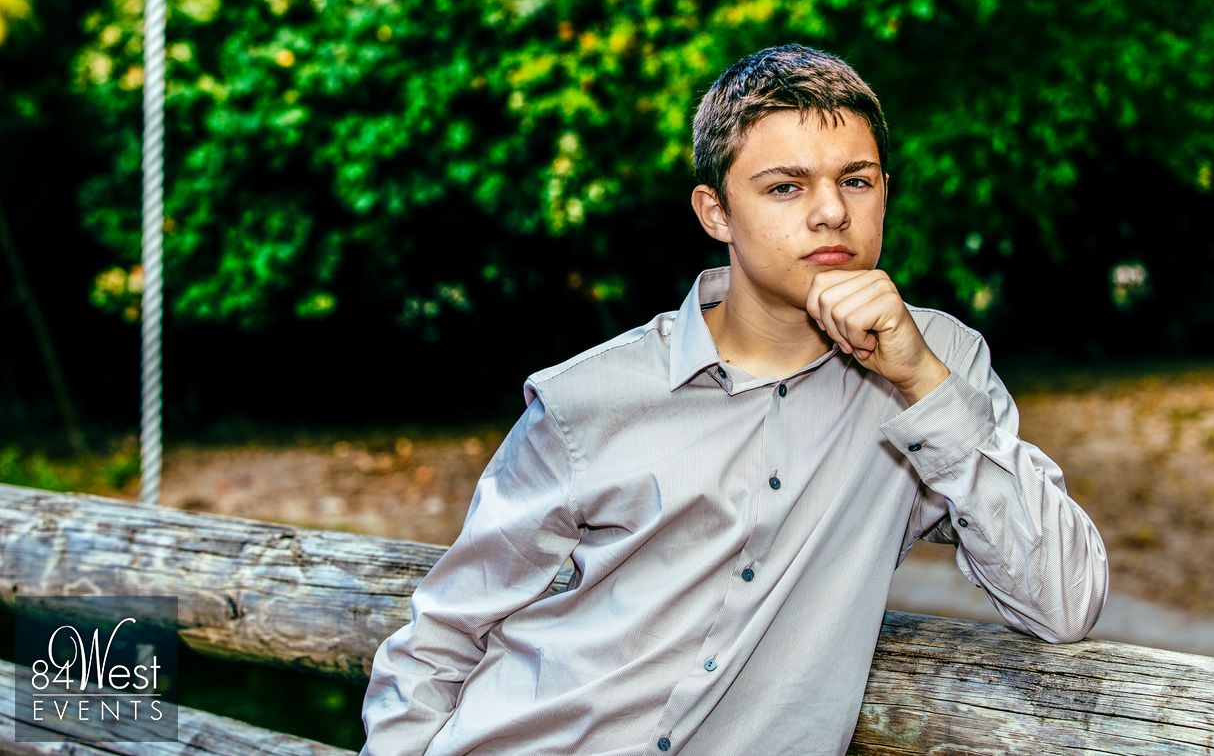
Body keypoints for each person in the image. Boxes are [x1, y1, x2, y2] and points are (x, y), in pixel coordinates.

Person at [360, 43, 1109, 756]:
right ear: (715, 212)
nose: (831, 214)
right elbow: (444, 635)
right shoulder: (589, 397)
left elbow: (1064, 600)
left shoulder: (940, 368)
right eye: (786, 186)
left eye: (857, 180)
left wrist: (920, 382)